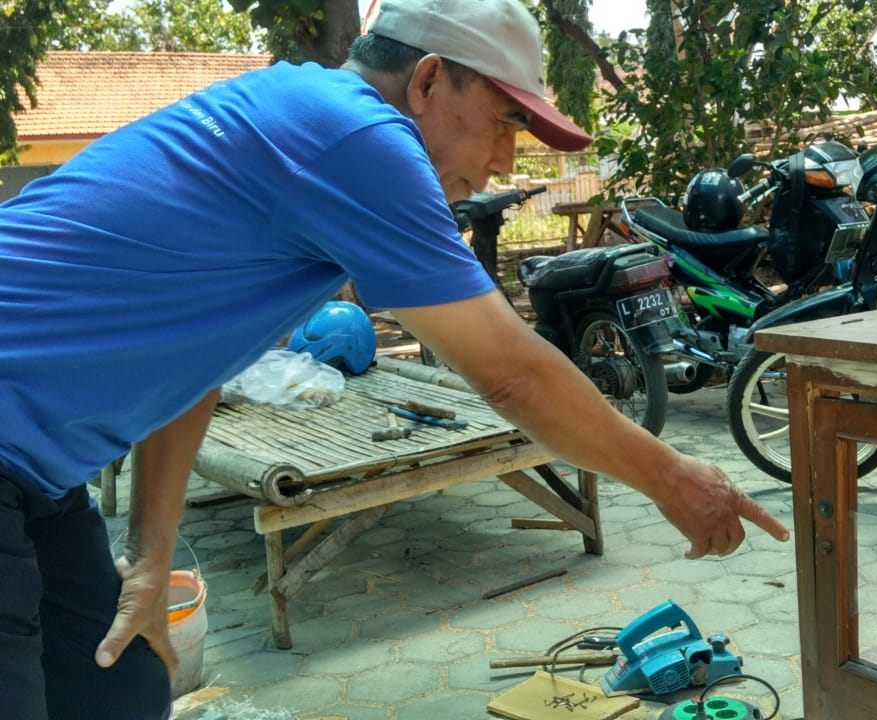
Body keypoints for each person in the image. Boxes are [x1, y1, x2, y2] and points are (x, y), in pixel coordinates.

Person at [0, 1, 790, 718]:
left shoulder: (296, 115)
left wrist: (151, 553)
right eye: (505, 121)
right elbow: (510, 374)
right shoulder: (359, 138)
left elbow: (198, 360)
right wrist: (675, 478)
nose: (509, 162)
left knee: (119, 690)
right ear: (428, 80)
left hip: (40, 473)